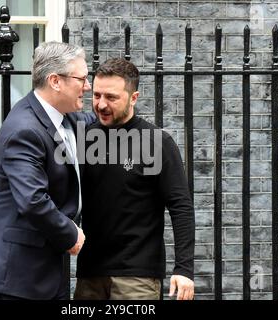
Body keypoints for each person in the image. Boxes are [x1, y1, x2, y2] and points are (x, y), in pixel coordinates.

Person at [0, 41, 95, 300]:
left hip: (46, 273)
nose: (88, 87)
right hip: (17, 279)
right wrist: (71, 233)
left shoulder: (65, 117)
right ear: (55, 81)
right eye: (82, 79)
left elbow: (96, 121)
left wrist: (120, 108)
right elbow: (32, 200)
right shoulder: (24, 129)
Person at [74, 58, 195, 300]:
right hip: (89, 274)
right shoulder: (83, 138)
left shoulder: (157, 142)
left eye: (111, 97)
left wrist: (184, 269)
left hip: (137, 277)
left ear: (134, 97)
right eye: (96, 95)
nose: (101, 104)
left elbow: (180, 206)